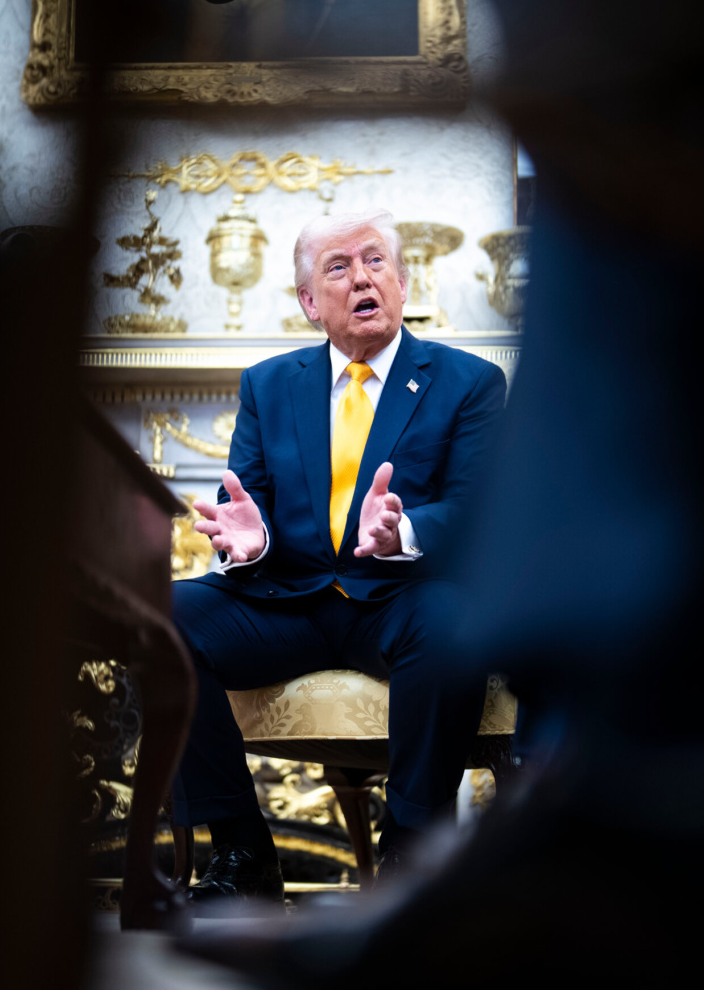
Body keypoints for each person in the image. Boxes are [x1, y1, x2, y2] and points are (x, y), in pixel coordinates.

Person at [171, 208, 507, 909]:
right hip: (288, 602)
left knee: (452, 621)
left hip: (401, 600)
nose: (362, 277)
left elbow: (478, 509)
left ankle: (411, 853)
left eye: (376, 260)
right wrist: (253, 541)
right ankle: (241, 849)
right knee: (164, 616)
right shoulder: (268, 384)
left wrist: (405, 530)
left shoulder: (468, 382)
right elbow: (246, 501)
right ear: (308, 302)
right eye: (338, 266)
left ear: (402, 282)